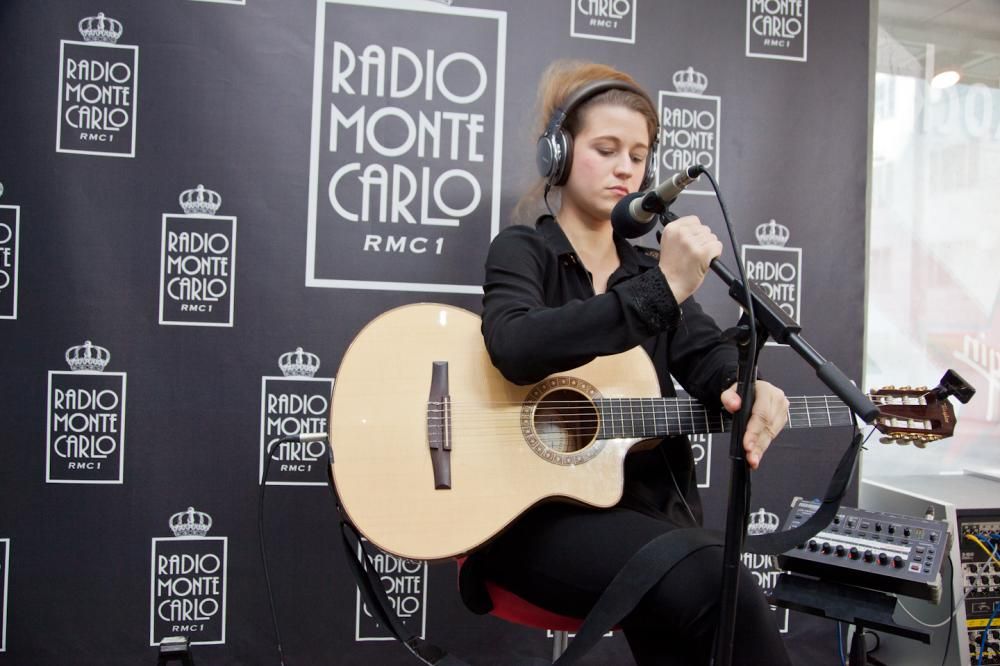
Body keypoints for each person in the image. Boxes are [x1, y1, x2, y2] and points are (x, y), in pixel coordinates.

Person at [459, 61, 793, 665]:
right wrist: (661, 290)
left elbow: (705, 352)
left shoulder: (647, 270)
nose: (625, 169)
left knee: (698, 588)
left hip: (644, 519)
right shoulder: (523, 250)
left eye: (638, 156)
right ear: (558, 154)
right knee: (709, 577)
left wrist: (745, 385)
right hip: (529, 519)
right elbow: (515, 345)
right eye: (606, 149)